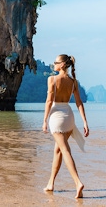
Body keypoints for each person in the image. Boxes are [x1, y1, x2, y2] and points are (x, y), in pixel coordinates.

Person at [42, 54, 89, 198]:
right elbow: (79, 103)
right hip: (69, 117)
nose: (53, 64)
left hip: (57, 118)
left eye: (56, 62)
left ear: (62, 65)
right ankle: (51, 183)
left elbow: (49, 102)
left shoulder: (52, 79)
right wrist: (85, 122)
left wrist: (44, 120)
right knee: (58, 151)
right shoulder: (73, 82)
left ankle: (77, 182)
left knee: (65, 150)